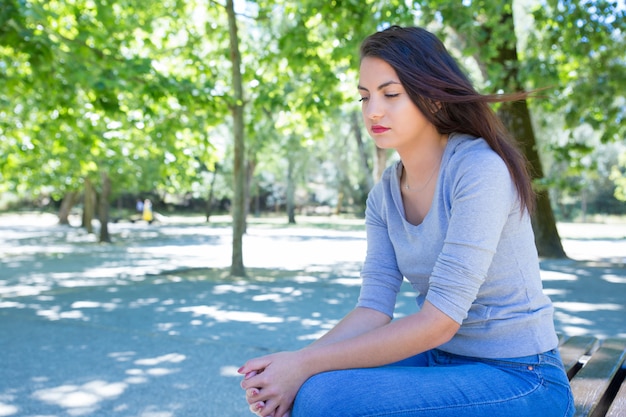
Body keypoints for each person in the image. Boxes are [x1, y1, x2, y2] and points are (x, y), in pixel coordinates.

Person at [238, 25, 574, 417]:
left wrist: (305, 366)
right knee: (309, 389)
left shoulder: (478, 170)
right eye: (364, 97)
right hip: (443, 359)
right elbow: (372, 309)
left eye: (390, 94)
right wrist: (294, 365)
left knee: (325, 400)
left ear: (432, 98)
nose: (373, 111)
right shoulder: (384, 194)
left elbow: (439, 322)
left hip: (522, 377)